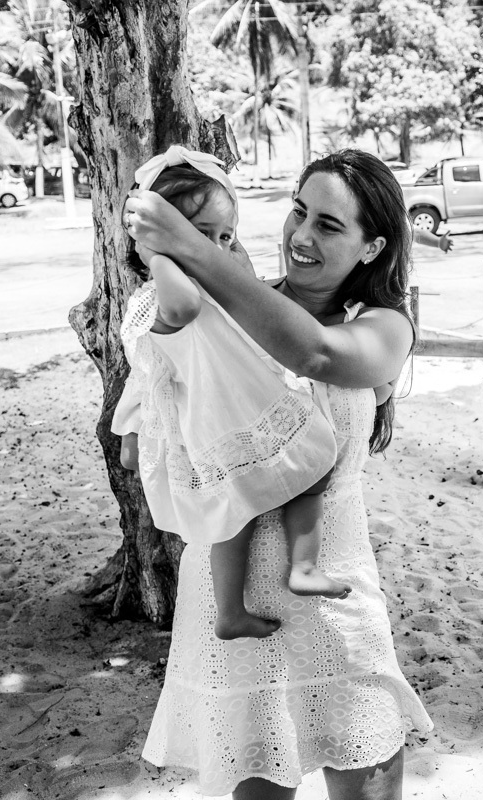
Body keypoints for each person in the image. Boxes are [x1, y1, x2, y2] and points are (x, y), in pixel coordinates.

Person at [124, 149, 433, 799]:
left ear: (372, 246)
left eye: (328, 224)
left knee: (368, 773)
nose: (300, 235)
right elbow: (143, 433)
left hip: (334, 590)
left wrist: (189, 245)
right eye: (298, 211)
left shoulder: (384, 326)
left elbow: (316, 352)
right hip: (235, 597)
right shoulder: (222, 306)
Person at [113, 146, 346, 642]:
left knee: (305, 469)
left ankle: (297, 569)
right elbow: (181, 311)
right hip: (212, 422)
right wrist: (158, 255)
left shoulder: (214, 282)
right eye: (199, 235)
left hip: (240, 405)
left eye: (225, 236)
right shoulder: (157, 293)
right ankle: (232, 610)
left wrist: (221, 257)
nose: (215, 249)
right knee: (232, 517)